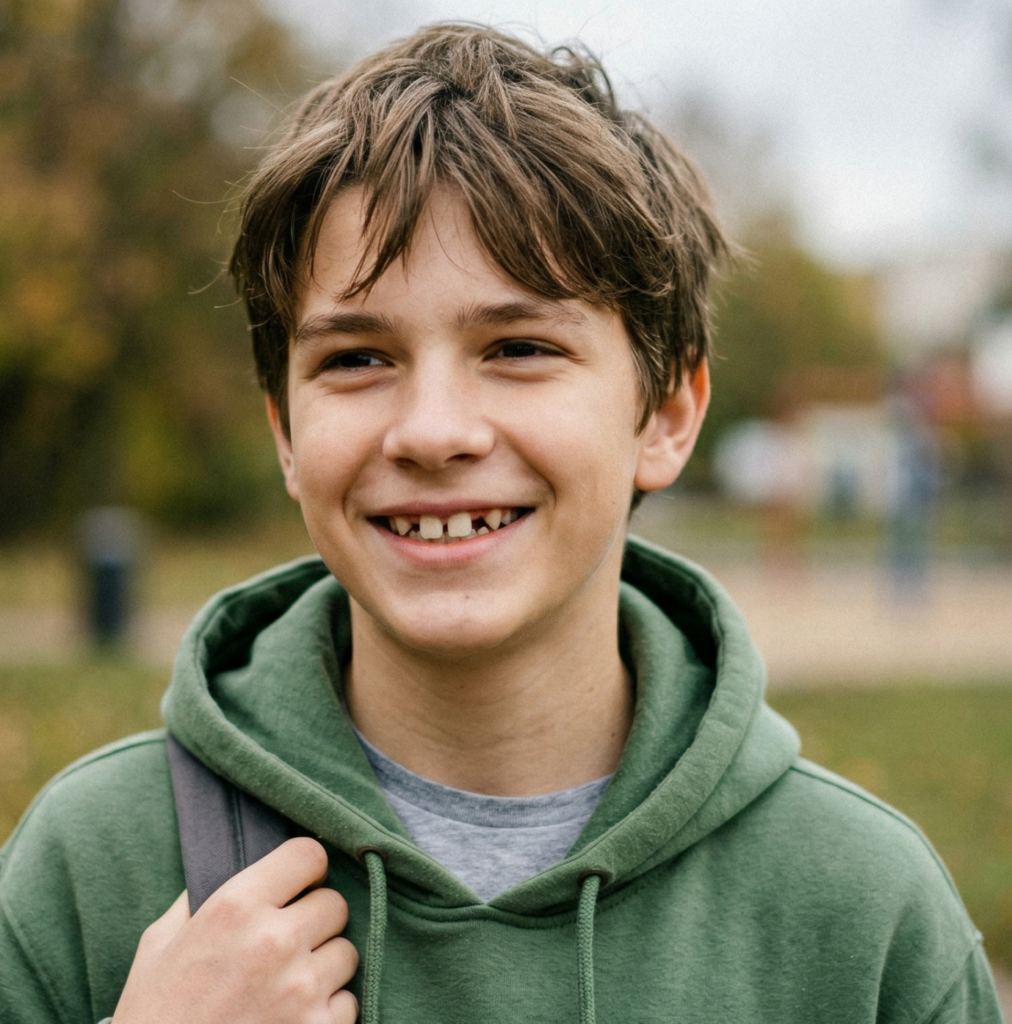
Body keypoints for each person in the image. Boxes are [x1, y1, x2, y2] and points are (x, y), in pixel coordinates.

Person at [0, 24, 1003, 1024]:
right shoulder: (93, 870)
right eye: (355, 358)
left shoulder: (862, 914)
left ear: (668, 413)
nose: (432, 431)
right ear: (285, 433)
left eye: (518, 346)